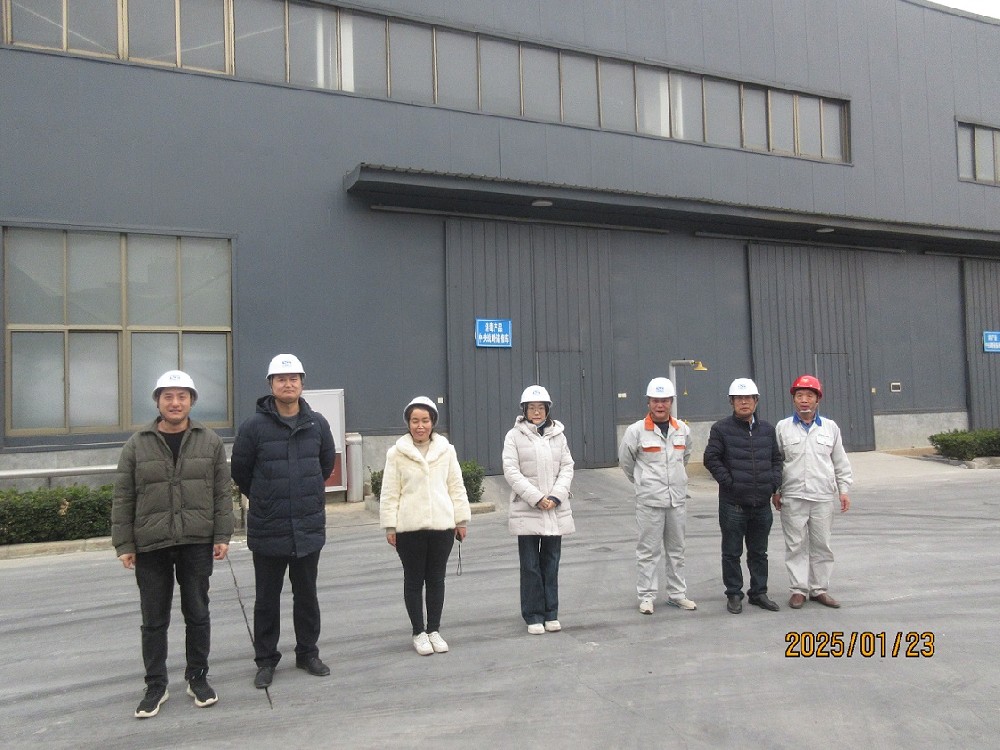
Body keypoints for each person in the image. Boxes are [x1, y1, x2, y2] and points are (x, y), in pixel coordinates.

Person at [112, 370, 233, 719]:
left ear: (191, 401)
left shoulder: (209, 442)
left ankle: (198, 678)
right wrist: (124, 543)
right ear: (157, 402)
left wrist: (222, 535)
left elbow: (221, 493)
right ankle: (155, 685)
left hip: (196, 541)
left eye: (182, 396)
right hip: (151, 544)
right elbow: (123, 497)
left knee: (197, 613)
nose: (175, 403)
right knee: (153, 619)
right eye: (168, 396)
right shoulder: (137, 444)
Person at [231, 354, 336, 688]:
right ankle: (266, 660)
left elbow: (325, 466)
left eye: (293, 378)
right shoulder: (253, 427)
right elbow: (241, 473)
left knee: (307, 596)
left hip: (307, 526)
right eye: (281, 379)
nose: (288, 384)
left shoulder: (317, 424)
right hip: (269, 526)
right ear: (270, 384)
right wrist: (267, 498)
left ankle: (308, 653)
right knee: (266, 599)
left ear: (302, 383)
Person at [380, 397, 471, 655]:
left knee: (436, 579)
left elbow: (456, 486)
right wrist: (390, 526)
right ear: (408, 423)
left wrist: (461, 520)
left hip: (442, 526)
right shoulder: (396, 454)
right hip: (409, 529)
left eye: (425, 420)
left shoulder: (446, 451)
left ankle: (434, 630)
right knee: (413, 580)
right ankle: (418, 632)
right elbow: (390, 492)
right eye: (415, 421)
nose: (420, 426)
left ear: (433, 422)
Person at [773, 374, 853, 609]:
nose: (804, 400)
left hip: (822, 496)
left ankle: (819, 589)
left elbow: (840, 461)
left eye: (809, 395)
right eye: (800, 395)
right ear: (793, 399)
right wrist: (776, 490)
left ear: (818, 400)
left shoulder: (830, 428)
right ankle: (798, 590)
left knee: (821, 545)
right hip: (793, 496)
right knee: (795, 545)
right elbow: (776, 462)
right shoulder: (782, 428)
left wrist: (844, 489)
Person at [703, 378, 783, 614]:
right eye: (739, 398)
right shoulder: (721, 429)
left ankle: (758, 593)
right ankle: (734, 594)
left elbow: (776, 460)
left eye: (748, 398)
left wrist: (773, 483)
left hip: (761, 505)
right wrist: (731, 483)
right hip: (733, 505)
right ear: (732, 402)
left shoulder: (767, 430)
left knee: (759, 552)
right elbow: (711, 458)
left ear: (756, 401)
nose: (744, 402)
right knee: (731, 552)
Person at [618, 377, 696, 614]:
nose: (660, 405)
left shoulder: (682, 430)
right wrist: (642, 481)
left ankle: (677, 594)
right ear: (648, 402)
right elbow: (626, 462)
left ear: (671, 402)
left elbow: (685, 457)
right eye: (655, 401)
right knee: (648, 551)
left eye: (664, 400)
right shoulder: (636, 431)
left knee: (677, 550)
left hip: (676, 500)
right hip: (649, 501)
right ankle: (646, 596)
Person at [502, 385, 575, 635]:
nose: (536, 412)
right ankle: (533, 615)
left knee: (551, 563)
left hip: (554, 508)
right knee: (530, 566)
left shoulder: (558, 435)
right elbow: (511, 471)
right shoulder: (514, 436)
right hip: (527, 509)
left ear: (547, 410)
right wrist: (536, 497)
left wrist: (555, 496)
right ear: (524, 410)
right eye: (531, 408)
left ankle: (551, 613)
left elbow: (567, 467)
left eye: (540, 408)